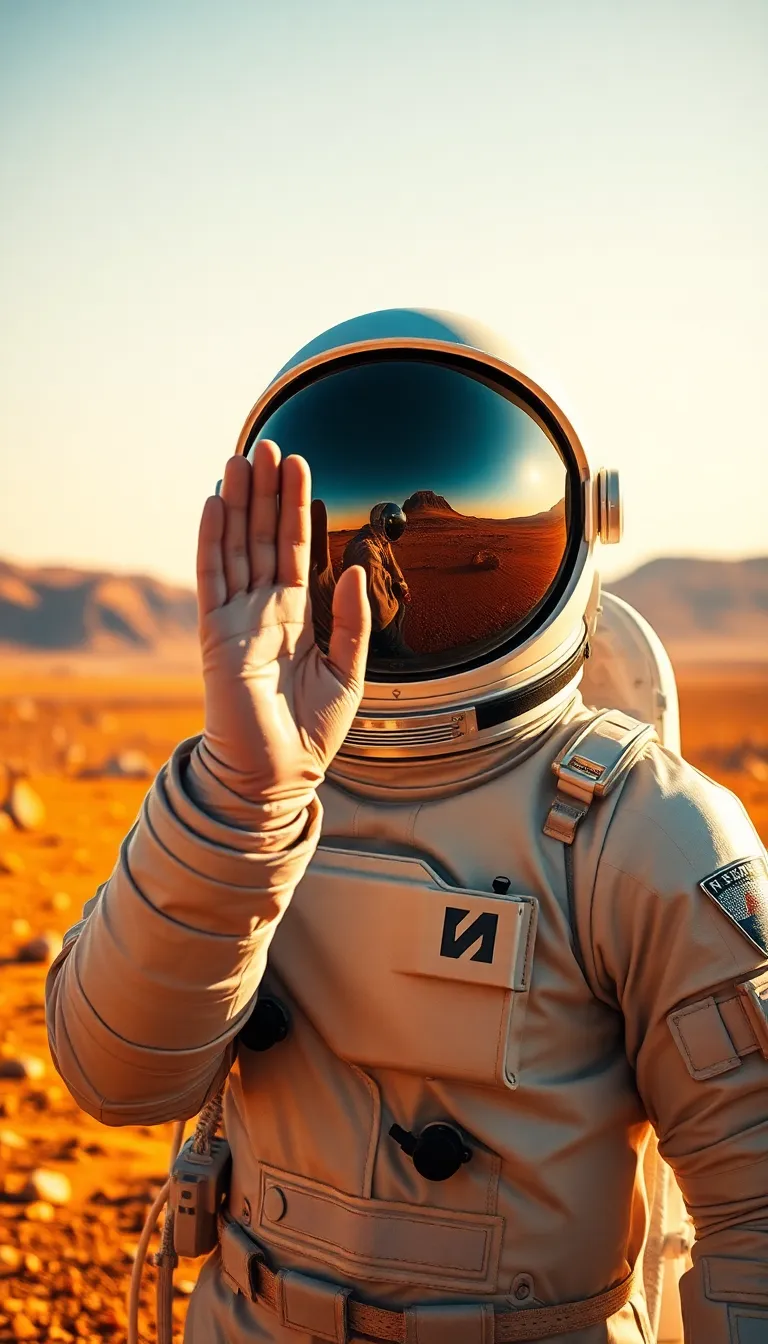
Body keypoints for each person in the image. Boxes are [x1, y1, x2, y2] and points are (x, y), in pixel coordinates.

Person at [46, 310, 768, 1344]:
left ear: (580, 525)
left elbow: (755, 1207)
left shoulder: (636, 831)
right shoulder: (251, 793)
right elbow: (113, 1076)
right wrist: (245, 799)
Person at [342, 501, 413, 658]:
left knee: (400, 609)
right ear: (380, 523)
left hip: (368, 606)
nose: (396, 527)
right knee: (406, 657)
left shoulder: (377, 538)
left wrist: (401, 586)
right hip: (373, 617)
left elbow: (391, 565)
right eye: (392, 523)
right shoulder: (368, 556)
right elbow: (381, 616)